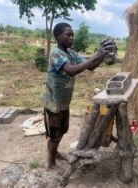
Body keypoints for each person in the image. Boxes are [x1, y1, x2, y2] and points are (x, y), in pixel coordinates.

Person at [41, 22, 112, 169]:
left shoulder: (71, 53)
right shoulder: (56, 53)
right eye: (68, 34)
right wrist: (94, 57)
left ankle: (55, 153)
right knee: (54, 135)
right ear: (58, 36)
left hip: (63, 103)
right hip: (52, 104)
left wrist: (101, 55)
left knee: (62, 131)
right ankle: (51, 162)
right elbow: (70, 70)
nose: (72, 37)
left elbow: (90, 66)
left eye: (72, 35)